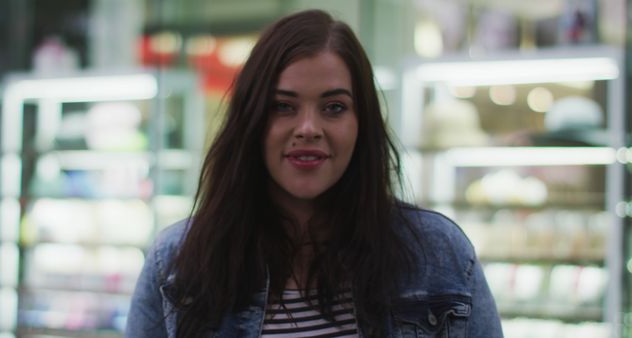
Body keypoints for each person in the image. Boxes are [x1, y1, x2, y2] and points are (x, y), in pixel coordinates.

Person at [125, 9, 503, 338]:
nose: (308, 128)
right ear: (252, 121)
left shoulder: (439, 257)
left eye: (334, 107)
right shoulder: (177, 264)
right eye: (283, 106)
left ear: (362, 123)